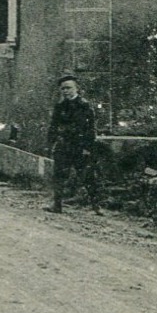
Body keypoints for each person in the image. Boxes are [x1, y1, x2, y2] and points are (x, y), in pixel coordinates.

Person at [48, 73, 102, 213]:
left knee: (87, 176)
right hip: (63, 145)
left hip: (80, 146)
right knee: (59, 175)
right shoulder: (59, 106)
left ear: (77, 89)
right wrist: (50, 143)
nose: (65, 91)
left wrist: (88, 148)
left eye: (69, 88)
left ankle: (96, 206)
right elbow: (53, 126)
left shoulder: (85, 106)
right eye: (63, 88)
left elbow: (91, 129)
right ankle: (57, 205)